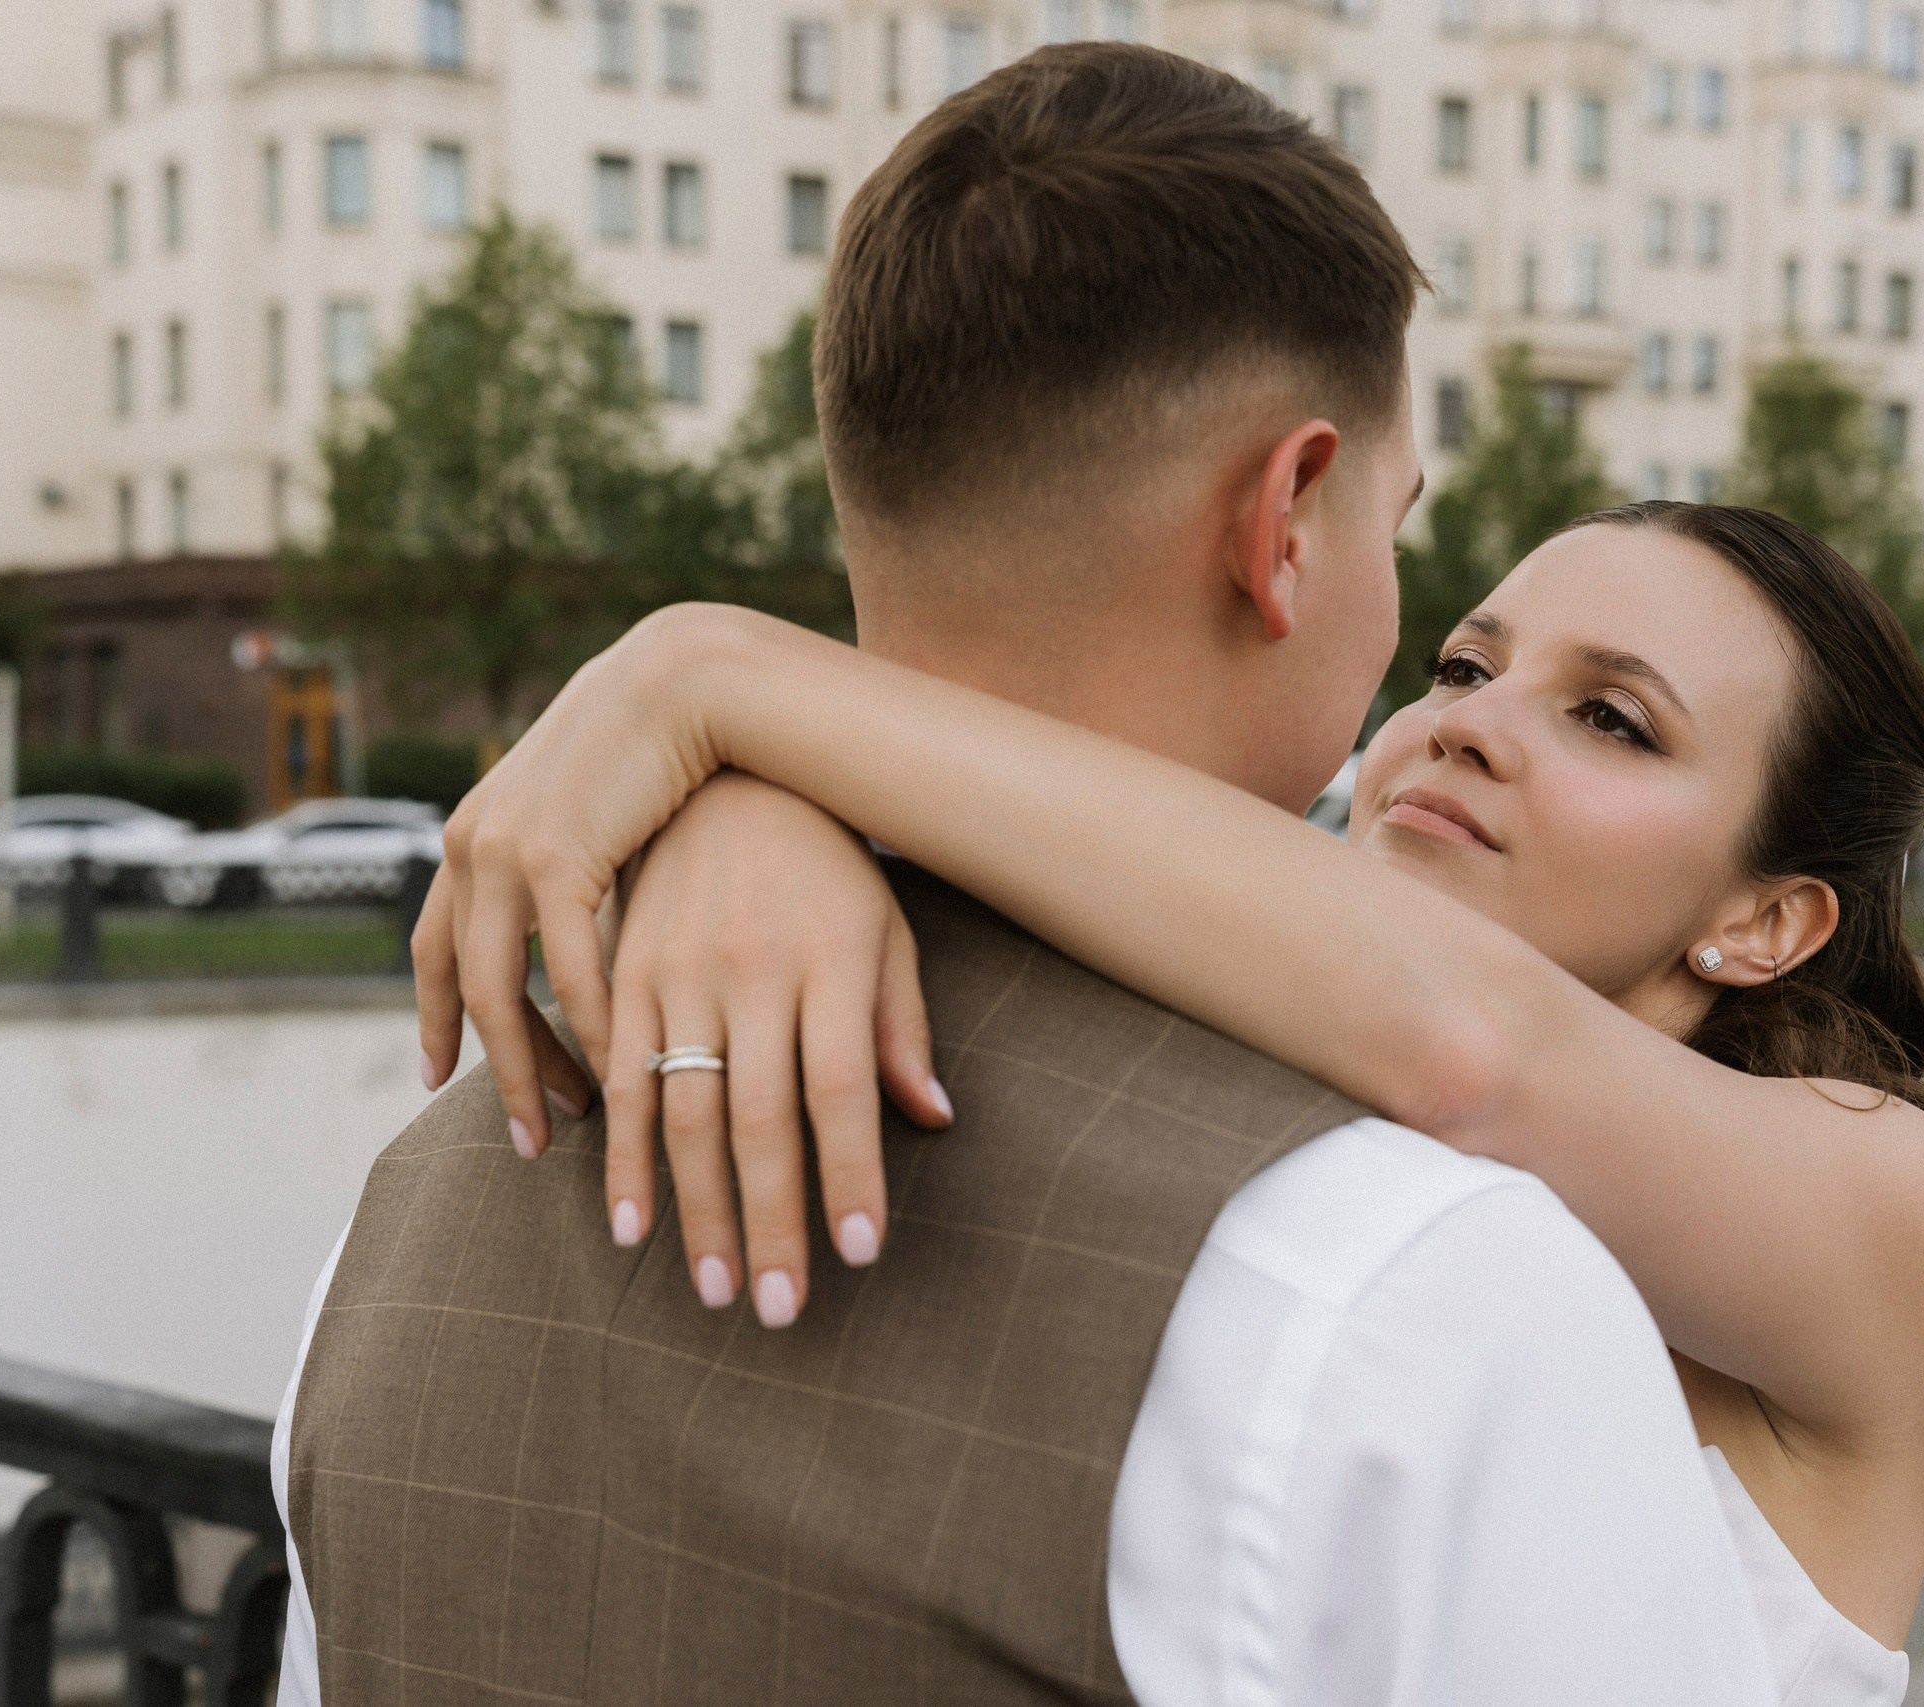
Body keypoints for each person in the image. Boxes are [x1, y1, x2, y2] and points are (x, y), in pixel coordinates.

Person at [278, 41, 1789, 1707]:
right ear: (1284, 517)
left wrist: (731, 739)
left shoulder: (411, 1204)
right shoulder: (1420, 1288)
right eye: (1398, 527)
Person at [424, 510, 1924, 1701]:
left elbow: (1480, 1054)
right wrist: (771, 821)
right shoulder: (1311, 1068)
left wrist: (718, 680)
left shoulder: (1908, 1219)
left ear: (1766, 921)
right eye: (1466, 670)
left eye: (1613, 722)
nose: (1472, 729)